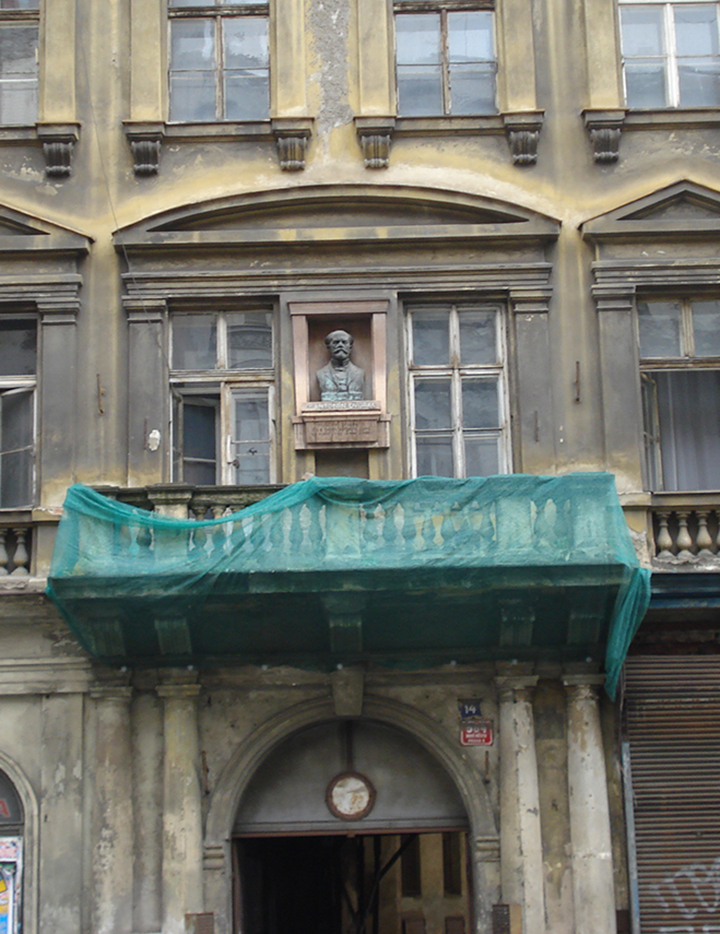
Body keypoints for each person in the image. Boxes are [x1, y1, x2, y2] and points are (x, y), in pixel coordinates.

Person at [316, 329, 365, 401]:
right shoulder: (320, 373)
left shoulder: (360, 373)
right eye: (336, 342)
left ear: (350, 347)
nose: (340, 345)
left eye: (344, 342)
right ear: (328, 348)